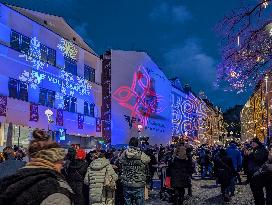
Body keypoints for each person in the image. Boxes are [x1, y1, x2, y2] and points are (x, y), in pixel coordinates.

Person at [0, 129, 74, 205]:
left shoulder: (16, 179)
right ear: (53, 160)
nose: (62, 166)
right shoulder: (56, 190)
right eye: (60, 162)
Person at [119, 137, 150, 205]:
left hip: (127, 183)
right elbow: (148, 160)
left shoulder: (124, 153)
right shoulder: (141, 154)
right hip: (138, 183)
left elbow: (120, 161)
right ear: (137, 144)